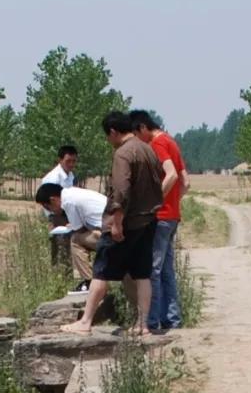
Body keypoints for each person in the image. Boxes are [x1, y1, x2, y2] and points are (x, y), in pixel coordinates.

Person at [61, 111, 164, 336]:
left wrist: (116, 223)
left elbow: (121, 191)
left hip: (126, 223)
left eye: (108, 137)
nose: (109, 142)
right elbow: (161, 177)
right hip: (149, 221)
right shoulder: (148, 149)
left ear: (114, 132)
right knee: (142, 274)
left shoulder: (123, 154)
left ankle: (86, 321)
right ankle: (144, 324)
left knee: (101, 271)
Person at [129, 110, 190, 333]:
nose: (137, 141)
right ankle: (172, 319)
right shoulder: (171, 141)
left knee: (151, 270)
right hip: (172, 216)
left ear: (143, 128)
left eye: (137, 135)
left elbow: (172, 175)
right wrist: (174, 202)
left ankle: (151, 321)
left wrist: (155, 202)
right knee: (166, 271)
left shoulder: (157, 144)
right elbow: (186, 182)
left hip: (161, 217)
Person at [36, 183, 107, 292]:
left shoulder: (68, 202)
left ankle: (89, 282)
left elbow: (80, 231)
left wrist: (73, 228)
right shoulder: (73, 194)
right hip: (114, 229)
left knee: (76, 240)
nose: (51, 211)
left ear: (53, 200)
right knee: (79, 237)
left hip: (111, 234)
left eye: (48, 207)